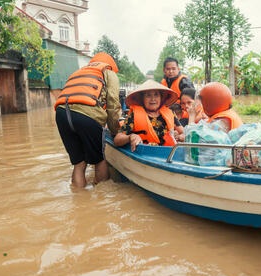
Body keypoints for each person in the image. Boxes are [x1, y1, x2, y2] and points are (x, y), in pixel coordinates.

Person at [54, 52, 121, 188]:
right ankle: (102, 199)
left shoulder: (79, 72)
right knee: (99, 160)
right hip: (87, 116)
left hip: (61, 115)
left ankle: (79, 200)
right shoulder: (108, 72)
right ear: (111, 65)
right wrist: (115, 132)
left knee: (79, 163)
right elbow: (113, 104)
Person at [114, 80, 185, 151]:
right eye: (148, 95)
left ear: (161, 98)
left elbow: (183, 132)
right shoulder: (134, 116)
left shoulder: (170, 113)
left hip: (167, 154)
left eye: (156, 95)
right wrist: (130, 137)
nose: (153, 99)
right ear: (142, 99)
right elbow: (117, 140)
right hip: (145, 154)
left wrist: (180, 136)